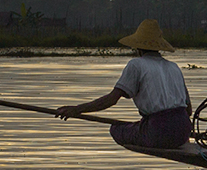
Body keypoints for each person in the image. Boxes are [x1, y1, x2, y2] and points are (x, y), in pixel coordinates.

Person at [56, 19, 192, 149]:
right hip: (183, 131)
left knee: (116, 129)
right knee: (143, 126)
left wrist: (76, 110)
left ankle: (147, 131)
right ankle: (148, 128)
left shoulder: (136, 64)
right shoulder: (174, 67)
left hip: (158, 132)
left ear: (138, 47)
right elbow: (188, 110)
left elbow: (111, 100)